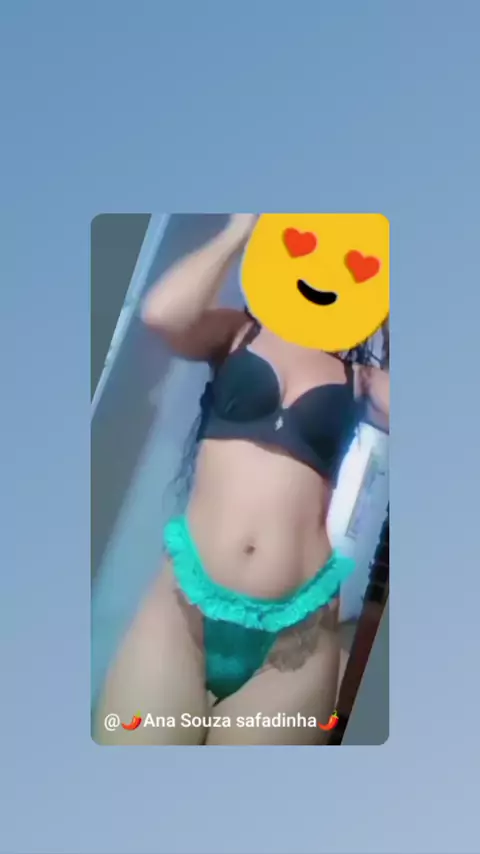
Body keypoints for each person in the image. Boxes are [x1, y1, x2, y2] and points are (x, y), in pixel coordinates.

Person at [94, 213, 389, 746]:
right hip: (184, 611)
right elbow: (162, 313)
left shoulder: (361, 380)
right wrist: (241, 230)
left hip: (295, 635)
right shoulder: (238, 334)